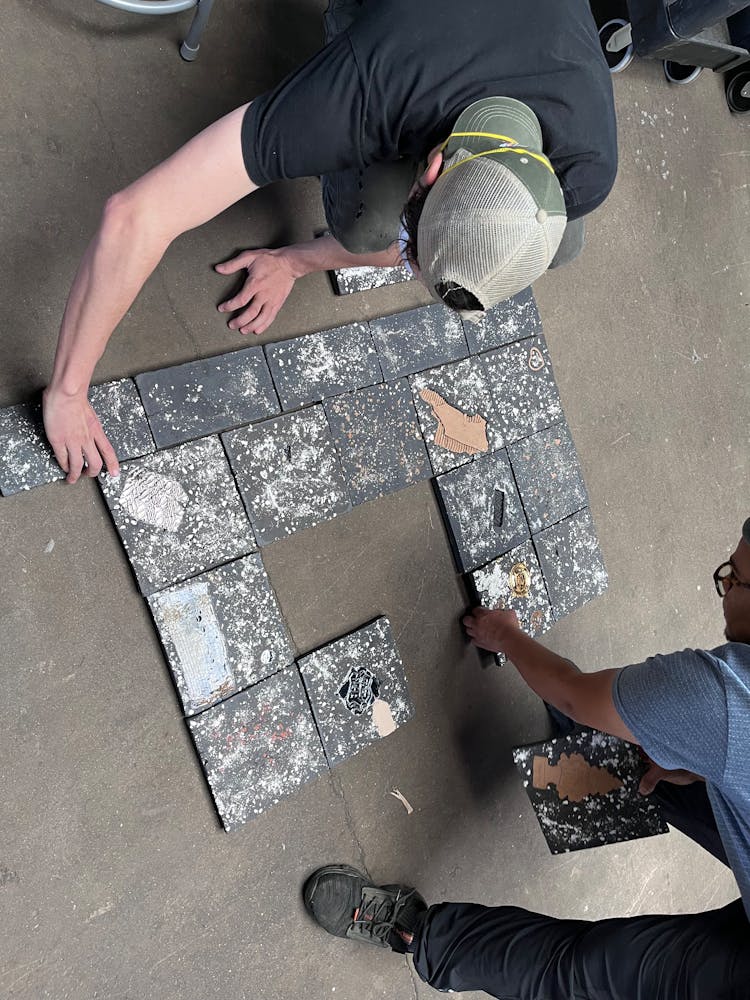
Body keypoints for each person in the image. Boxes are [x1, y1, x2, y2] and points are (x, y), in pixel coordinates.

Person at [43, 0, 616, 483]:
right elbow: (134, 217)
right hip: (408, 35)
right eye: (412, 254)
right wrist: (67, 393)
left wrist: (294, 261)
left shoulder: (589, 171)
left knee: (563, 246)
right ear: (433, 168)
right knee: (368, 223)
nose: (406, 265)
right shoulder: (368, 88)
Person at [303, 519, 750, 998]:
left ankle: (420, 934)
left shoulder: (726, 696)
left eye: (735, 579)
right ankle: (583, 758)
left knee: (588, 972)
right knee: (662, 757)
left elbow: (573, 692)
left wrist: (507, 637)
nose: (724, 587)